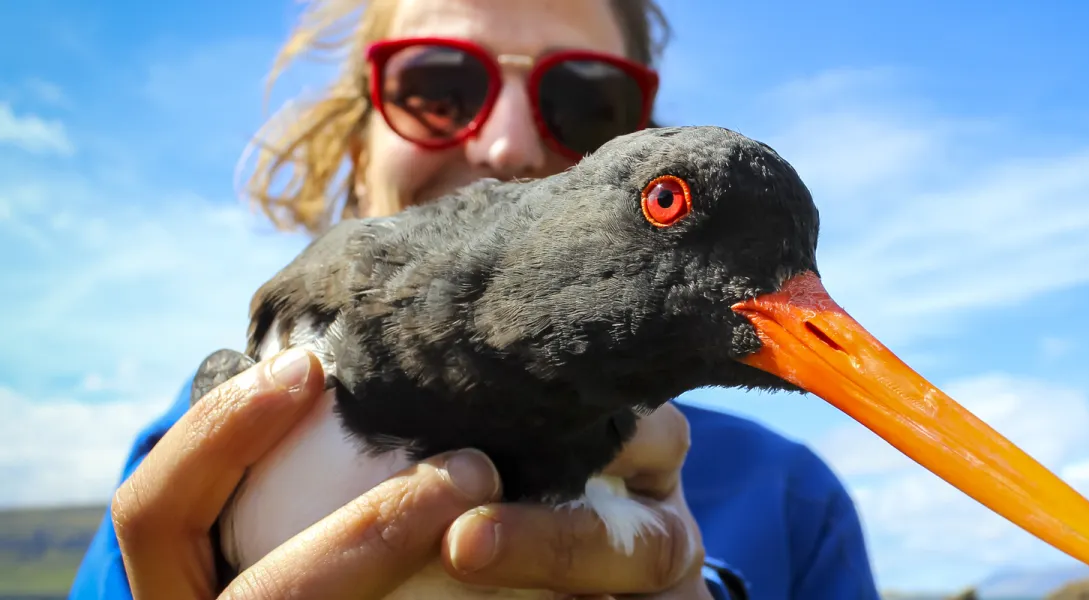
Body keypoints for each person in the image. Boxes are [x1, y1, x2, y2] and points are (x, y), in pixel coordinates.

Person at [68, 0, 882, 599]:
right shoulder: (182, 468)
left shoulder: (794, 504)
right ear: (357, 147)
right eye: (438, 85)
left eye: (585, 103)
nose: (506, 143)